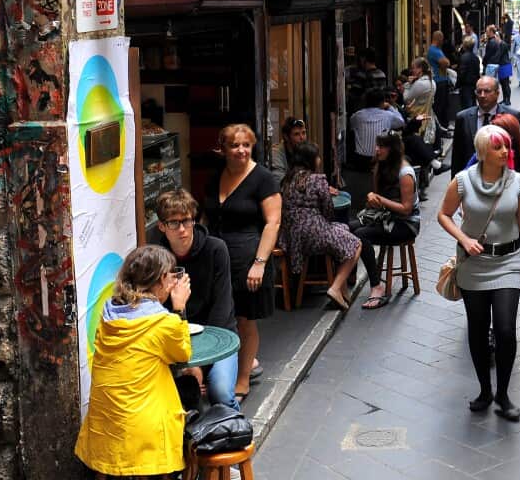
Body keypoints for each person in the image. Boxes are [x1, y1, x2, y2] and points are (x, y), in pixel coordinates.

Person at [438, 125, 520, 422]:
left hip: (508, 262)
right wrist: (464, 239)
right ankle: (485, 389)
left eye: (507, 145)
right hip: (473, 264)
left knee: (505, 330)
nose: (506, 151)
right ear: (483, 152)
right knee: (478, 330)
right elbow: (443, 214)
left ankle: (503, 394)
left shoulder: (518, 182)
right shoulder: (462, 182)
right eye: (498, 147)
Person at [74, 245, 192, 478]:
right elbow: (182, 354)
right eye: (171, 276)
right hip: (143, 431)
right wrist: (179, 308)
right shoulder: (163, 324)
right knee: (188, 391)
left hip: (105, 424)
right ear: (161, 279)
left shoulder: (108, 315)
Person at [204, 123, 282, 401]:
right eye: (235, 145)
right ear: (223, 149)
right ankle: (224, 370)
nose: (241, 150)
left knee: (245, 319)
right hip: (217, 259)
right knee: (219, 316)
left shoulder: (263, 179)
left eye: (246, 145)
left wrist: (260, 262)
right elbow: (206, 217)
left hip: (248, 258)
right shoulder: (216, 176)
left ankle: (243, 379)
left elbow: (273, 223)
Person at [147, 190, 239, 410]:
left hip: (217, 336)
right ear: (161, 226)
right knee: (167, 395)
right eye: (174, 223)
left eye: (187, 221)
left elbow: (222, 309)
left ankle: (235, 426)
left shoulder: (215, 249)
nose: (182, 229)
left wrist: (200, 365)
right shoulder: (157, 258)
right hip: (174, 340)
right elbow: (155, 310)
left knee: (221, 392)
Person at [281, 141, 362, 311]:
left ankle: (343, 292)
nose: (319, 159)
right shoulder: (317, 179)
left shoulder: (287, 180)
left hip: (292, 238)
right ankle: (336, 287)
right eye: (317, 156)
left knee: (344, 230)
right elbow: (328, 211)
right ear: (311, 159)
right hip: (314, 235)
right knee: (356, 244)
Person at [352, 132, 420, 310]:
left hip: (406, 224)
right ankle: (349, 278)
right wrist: (373, 200)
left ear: (392, 149)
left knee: (361, 235)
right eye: (377, 145)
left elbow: (406, 209)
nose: (377, 149)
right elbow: (377, 200)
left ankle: (377, 286)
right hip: (385, 217)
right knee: (347, 228)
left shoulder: (405, 173)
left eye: (381, 146)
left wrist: (380, 200)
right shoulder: (381, 166)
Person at [451, 76, 520, 176]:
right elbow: (457, 156)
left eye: (487, 91)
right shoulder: (463, 118)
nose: (482, 95)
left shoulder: (512, 116)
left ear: (497, 93)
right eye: (479, 92)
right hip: (471, 178)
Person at [269, 116, 308, 186]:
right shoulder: (276, 153)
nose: (302, 138)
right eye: (296, 134)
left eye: (304, 133)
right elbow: (280, 183)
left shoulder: (305, 150)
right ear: (286, 137)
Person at [457, 35, 482, 110]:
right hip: (474, 84)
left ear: (464, 46)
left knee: (467, 106)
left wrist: (457, 85)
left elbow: (462, 73)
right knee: (473, 103)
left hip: (466, 86)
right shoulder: (476, 58)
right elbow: (477, 72)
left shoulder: (463, 57)